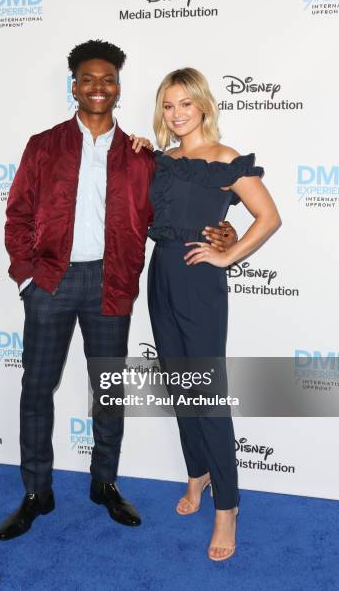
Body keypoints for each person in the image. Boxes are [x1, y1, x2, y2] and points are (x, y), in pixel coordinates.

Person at [0, 40, 237, 541]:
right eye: (88, 79)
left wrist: (224, 230)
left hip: (112, 283)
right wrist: (27, 276)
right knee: (37, 389)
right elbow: (18, 212)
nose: (98, 87)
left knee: (108, 392)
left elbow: (174, 212)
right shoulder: (43, 145)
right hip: (50, 282)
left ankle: (104, 484)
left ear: (119, 87)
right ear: (74, 86)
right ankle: (36, 492)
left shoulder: (140, 156)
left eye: (108, 79)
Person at [147, 68, 281, 561]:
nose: (177, 114)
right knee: (180, 385)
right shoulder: (160, 161)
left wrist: (228, 253)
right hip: (159, 276)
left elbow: (269, 217)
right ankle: (197, 471)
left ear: (202, 105)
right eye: (167, 105)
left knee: (208, 391)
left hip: (200, 282)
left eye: (185, 103)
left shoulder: (226, 159)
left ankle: (228, 504)